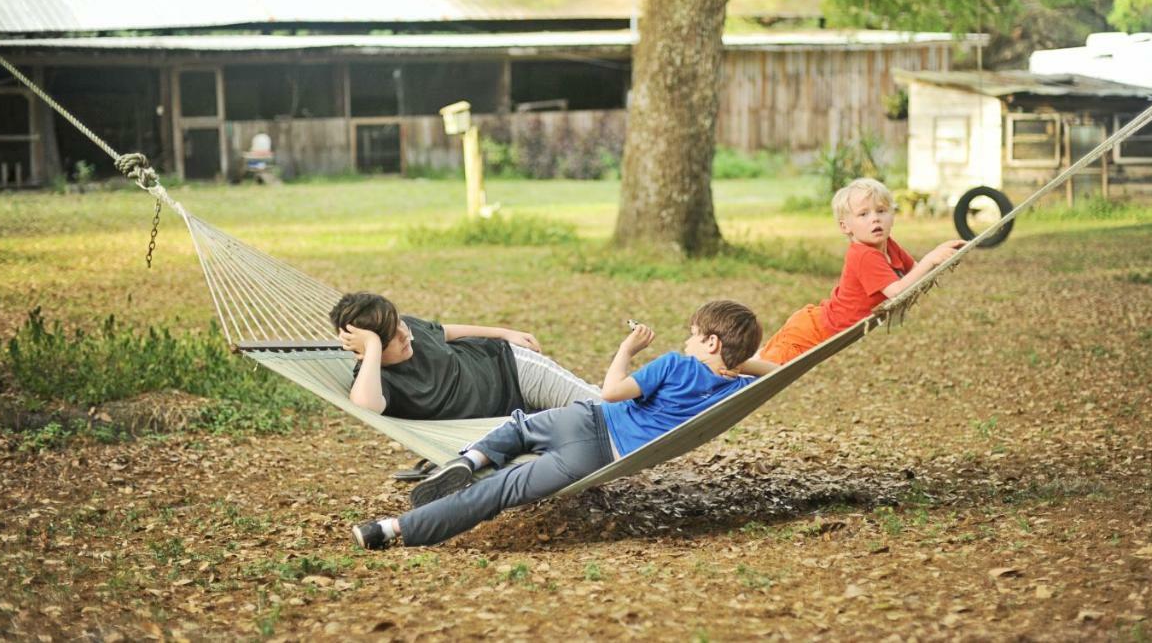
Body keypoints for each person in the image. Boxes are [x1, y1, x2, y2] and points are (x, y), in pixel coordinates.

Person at [351, 299, 770, 549]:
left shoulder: (674, 364)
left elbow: (609, 391)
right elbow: (771, 369)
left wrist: (627, 348)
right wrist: (730, 360)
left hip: (587, 417)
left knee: (520, 426)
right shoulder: (735, 390)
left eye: (694, 335)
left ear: (710, 342)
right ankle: (387, 530)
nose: (686, 341)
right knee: (501, 491)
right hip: (597, 455)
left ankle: (473, 458)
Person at [756, 178, 964, 365]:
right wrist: (931, 258)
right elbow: (897, 292)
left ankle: (728, 367)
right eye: (863, 214)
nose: (875, 219)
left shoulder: (888, 245)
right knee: (759, 372)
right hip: (814, 332)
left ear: (893, 216)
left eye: (881, 211)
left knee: (757, 359)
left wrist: (942, 255)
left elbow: (918, 273)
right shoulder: (864, 255)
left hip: (815, 323)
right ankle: (723, 374)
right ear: (846, 227)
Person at [330, 292, 597, 421]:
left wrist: (504, 333)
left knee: (600, 404)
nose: (406, 335)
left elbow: (446, 331)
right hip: (509, 417)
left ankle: (638, 397)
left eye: (401, 323)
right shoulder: (377, 380)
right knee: (585, 421)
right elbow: (366, 407)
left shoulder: (407, 329)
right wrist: (373, 348)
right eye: (392, 335)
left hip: (511, 369)